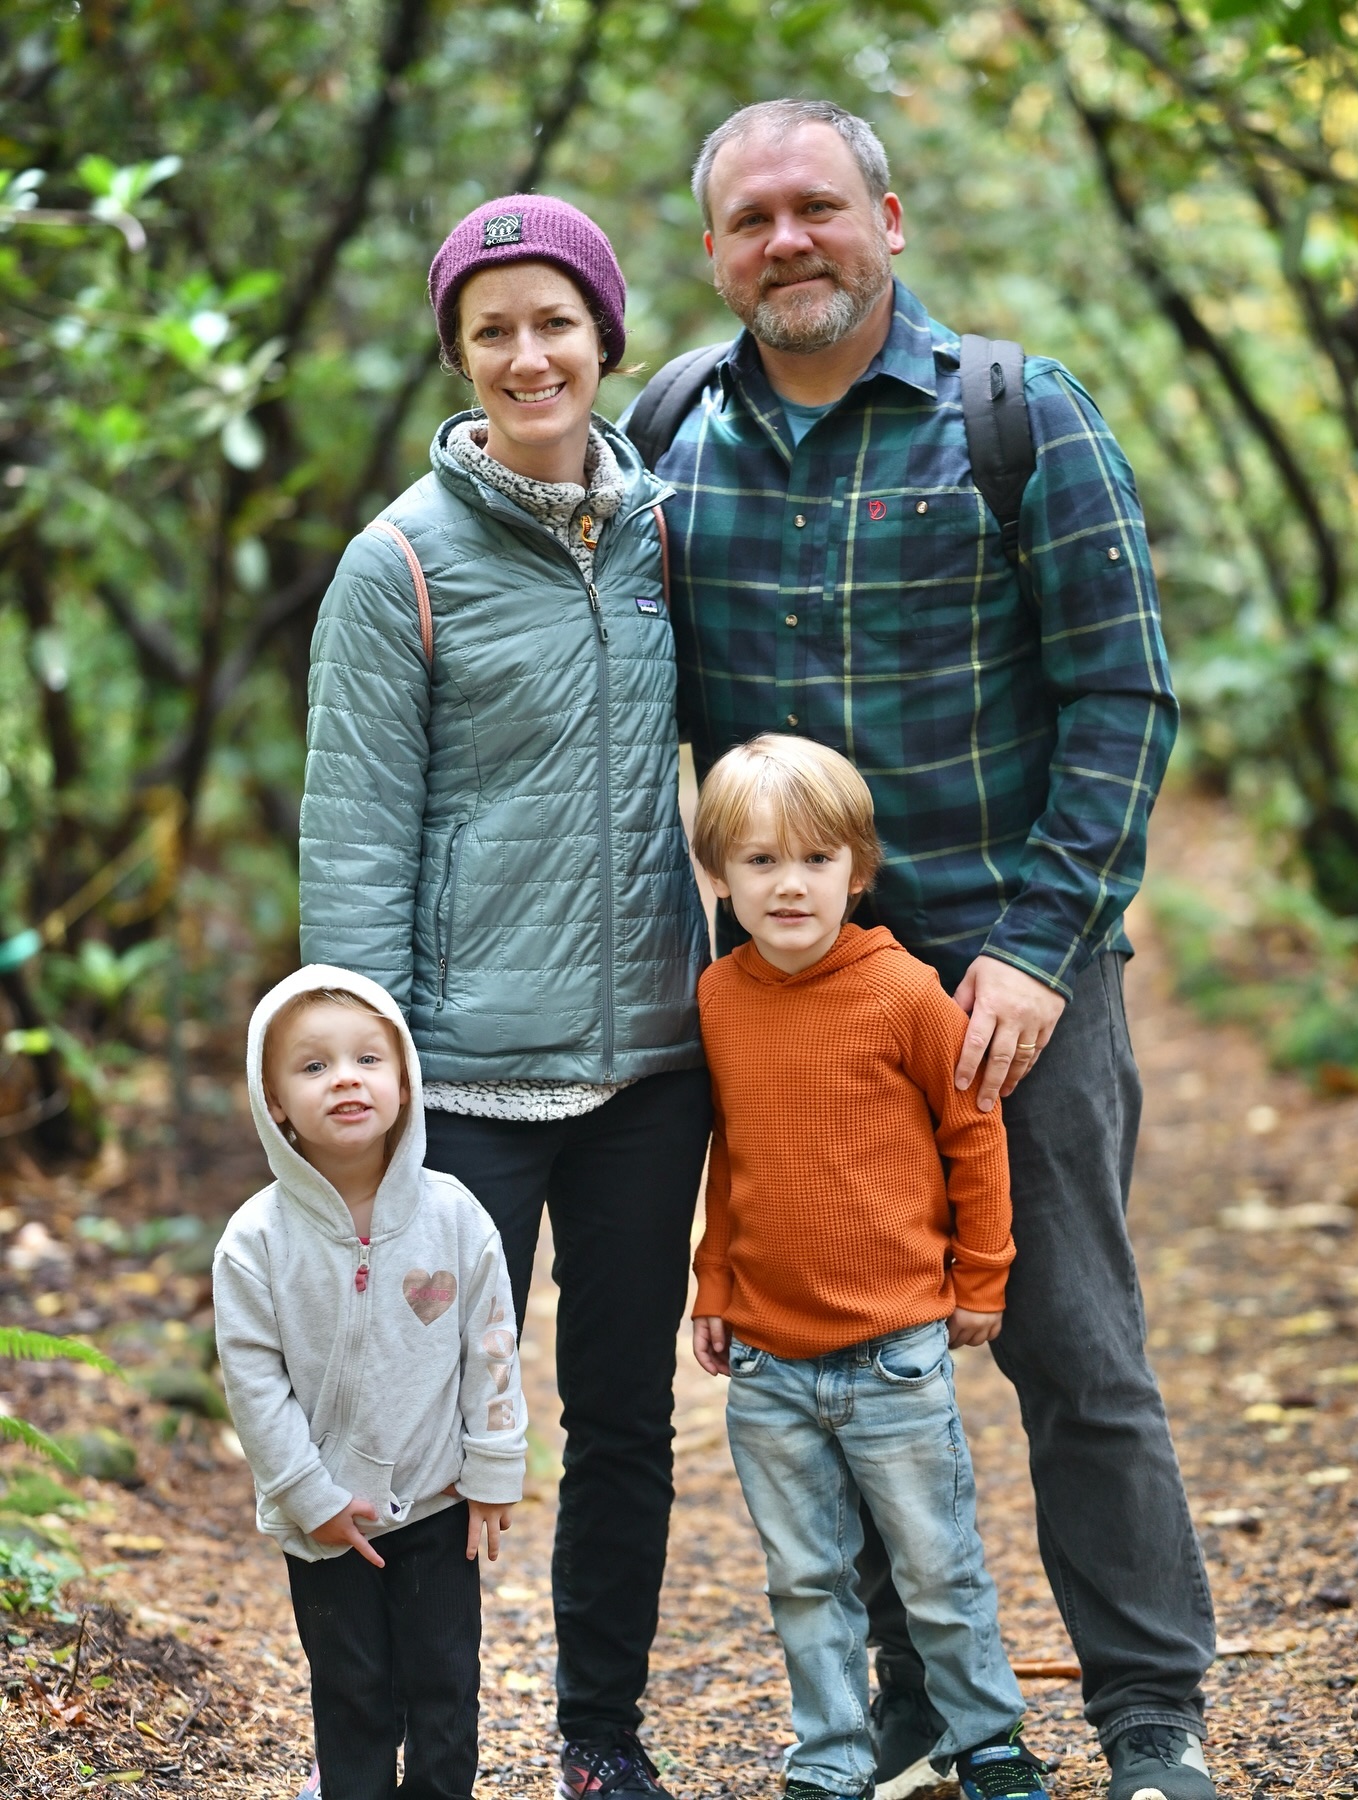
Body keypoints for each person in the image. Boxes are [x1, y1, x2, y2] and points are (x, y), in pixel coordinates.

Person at [634, 98, 1215, 1800]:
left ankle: (1149, 1708)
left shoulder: (1019, 419)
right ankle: (910, 1706)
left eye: (819, 207)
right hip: (794, 984)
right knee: (831, 1347)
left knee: (1072, 1343)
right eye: (752, 221)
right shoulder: (670, 432)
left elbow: (1127, 696)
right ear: (715, 251)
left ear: (888, 219)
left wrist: (1043, 947)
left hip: (999, 977)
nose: (788, 242)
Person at [297, 195, 713, 1800]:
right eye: (494, 331)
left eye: (557, 321)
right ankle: (428, 1760)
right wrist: (366, 1094)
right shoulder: (397, 562)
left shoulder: (670, 531)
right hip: (462, 1076)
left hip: (652, 1070)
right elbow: (353, 851)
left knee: (621, 1419)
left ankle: (601, 1743)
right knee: (421, 1440)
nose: (529, 354)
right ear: (461, 358)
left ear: (607, 337)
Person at [688, 734, 1047, 1800]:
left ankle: (987, 1740)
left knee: (938, 1568)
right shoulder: (717, 999)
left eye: (814, 860)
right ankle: (831, 1760)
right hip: (768, 1360)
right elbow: (730, 1157)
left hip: (896, 1350)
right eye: (758, 861)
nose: (788, 884)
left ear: (859, 868)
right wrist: (713, 1283)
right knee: (806, 1579)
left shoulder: (906, 994)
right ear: (720, 875)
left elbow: (974, 1130)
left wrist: (982, 1279)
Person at [213, 966, 527, 1799]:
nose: (345, 1078)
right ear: (273, 1100)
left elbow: (492, 1340)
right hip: (324, 1521)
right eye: (313, 1067)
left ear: (405, 1080)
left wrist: (495, 1461)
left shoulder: (455, 1215)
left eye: (367, 1060)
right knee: (350, 1697)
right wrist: (304, 1493)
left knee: (444, 1690)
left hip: (437, 1503)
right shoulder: (256, 1241)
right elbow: (251, 1378)